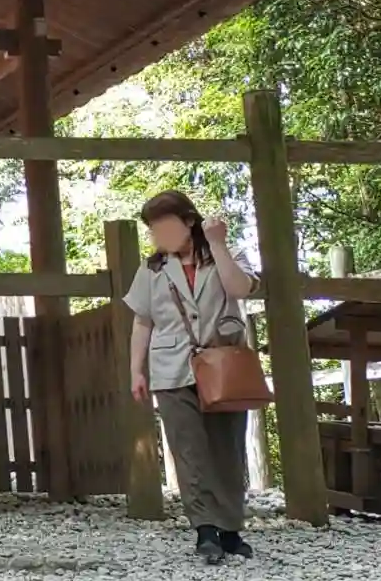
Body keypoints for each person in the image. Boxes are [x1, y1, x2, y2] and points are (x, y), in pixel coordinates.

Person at [125, 190, 258, 564]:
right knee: (189, 452)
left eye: (165, 225)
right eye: (153, 228)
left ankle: (230, 529)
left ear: (189, 221)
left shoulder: (227, 254)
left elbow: (240, 289)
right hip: (172, 369)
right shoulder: (151, 269)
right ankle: (205, 530)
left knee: (228, 450)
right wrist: (136, 370)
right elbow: (142, 322)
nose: (159, 235)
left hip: (223, 366)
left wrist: (218, 245)